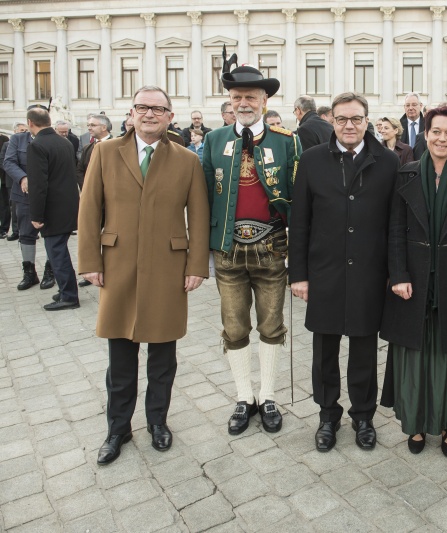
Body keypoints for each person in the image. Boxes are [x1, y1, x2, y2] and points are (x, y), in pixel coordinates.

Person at [78, 85, 210, 465]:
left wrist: (196, 266)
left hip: (168, 268)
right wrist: (90, 260)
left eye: (158, 109)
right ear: (131, 114)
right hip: (117, 265)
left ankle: (158, 422)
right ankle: (118, 427)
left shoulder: (186, 159)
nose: (149, 114)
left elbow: (198, 217)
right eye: (142, 107)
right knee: (120, 357)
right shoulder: (104, 153)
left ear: (171, 117)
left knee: (162, 356)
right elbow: (89, 210)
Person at [289, 92, 399, 452]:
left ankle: (363, 415)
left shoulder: (387, 162)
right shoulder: (312, 159)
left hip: (370, 272)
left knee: (365, 348)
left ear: (367, 121)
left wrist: (394, 272)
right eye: (341, 119)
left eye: (356, 119)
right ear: (331, 121)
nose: (349, 125)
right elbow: (300, 220)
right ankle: (327, 414)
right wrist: (299, 274)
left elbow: (396, 225)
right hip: (325, 271)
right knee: (324, 348)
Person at [380, 105, 447, 457]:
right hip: (413, 282)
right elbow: (395, 228)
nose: (442, 138)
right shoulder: (406, 174)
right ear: (425, 134)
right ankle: (414, 422)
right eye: (436, 131)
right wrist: (398, 274)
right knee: (415, 356)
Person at [204, 63, 300, 436]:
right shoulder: (214, 140)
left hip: (272, 248)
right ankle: (244, 397)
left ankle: (268, 395)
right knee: (233, 326)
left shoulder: (286, 141)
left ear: (264, 100)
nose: (243, 103)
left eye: (250, 97)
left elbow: (301, 200)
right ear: (230, 101)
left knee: (272, 324)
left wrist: (297, 249)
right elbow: (199, 200)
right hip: (227, 251)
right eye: (236, 97)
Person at [26, 108, 81, 311]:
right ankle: (66, 290)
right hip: (68, 205)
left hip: (52, 210)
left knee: (57, 254)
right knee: (60, 251)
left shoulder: (37, 145)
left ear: (31, 123)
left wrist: (36, 215)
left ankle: (69, 295)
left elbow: (38, 184)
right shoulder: (64, 141)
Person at [3, 106, 56, 291]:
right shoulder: (18, 139)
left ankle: (51, 271)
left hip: (48, 196)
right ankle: (29, 272)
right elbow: (8, 162)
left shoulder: (53, 139)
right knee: (26, 234)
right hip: (24, 196)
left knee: (51, 234)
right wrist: (23, 178)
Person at [0, 122, 26, 241]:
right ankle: (16, 231)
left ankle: (28, 230)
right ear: (15, 131)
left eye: (25, 130)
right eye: (21, 130)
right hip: (12, 180)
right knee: (15, 206)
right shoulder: (7, 144)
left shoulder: (31, 143)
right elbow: (4, 161)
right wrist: (17, 173)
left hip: (28, 179)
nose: (24, 132)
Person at [77, 114, 114, 188]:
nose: (89, 128)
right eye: (88, 125)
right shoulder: (87, 149)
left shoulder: (117, 146)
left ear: (104, 127)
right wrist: (87, 188)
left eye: (93, 125)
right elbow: (80, 171)